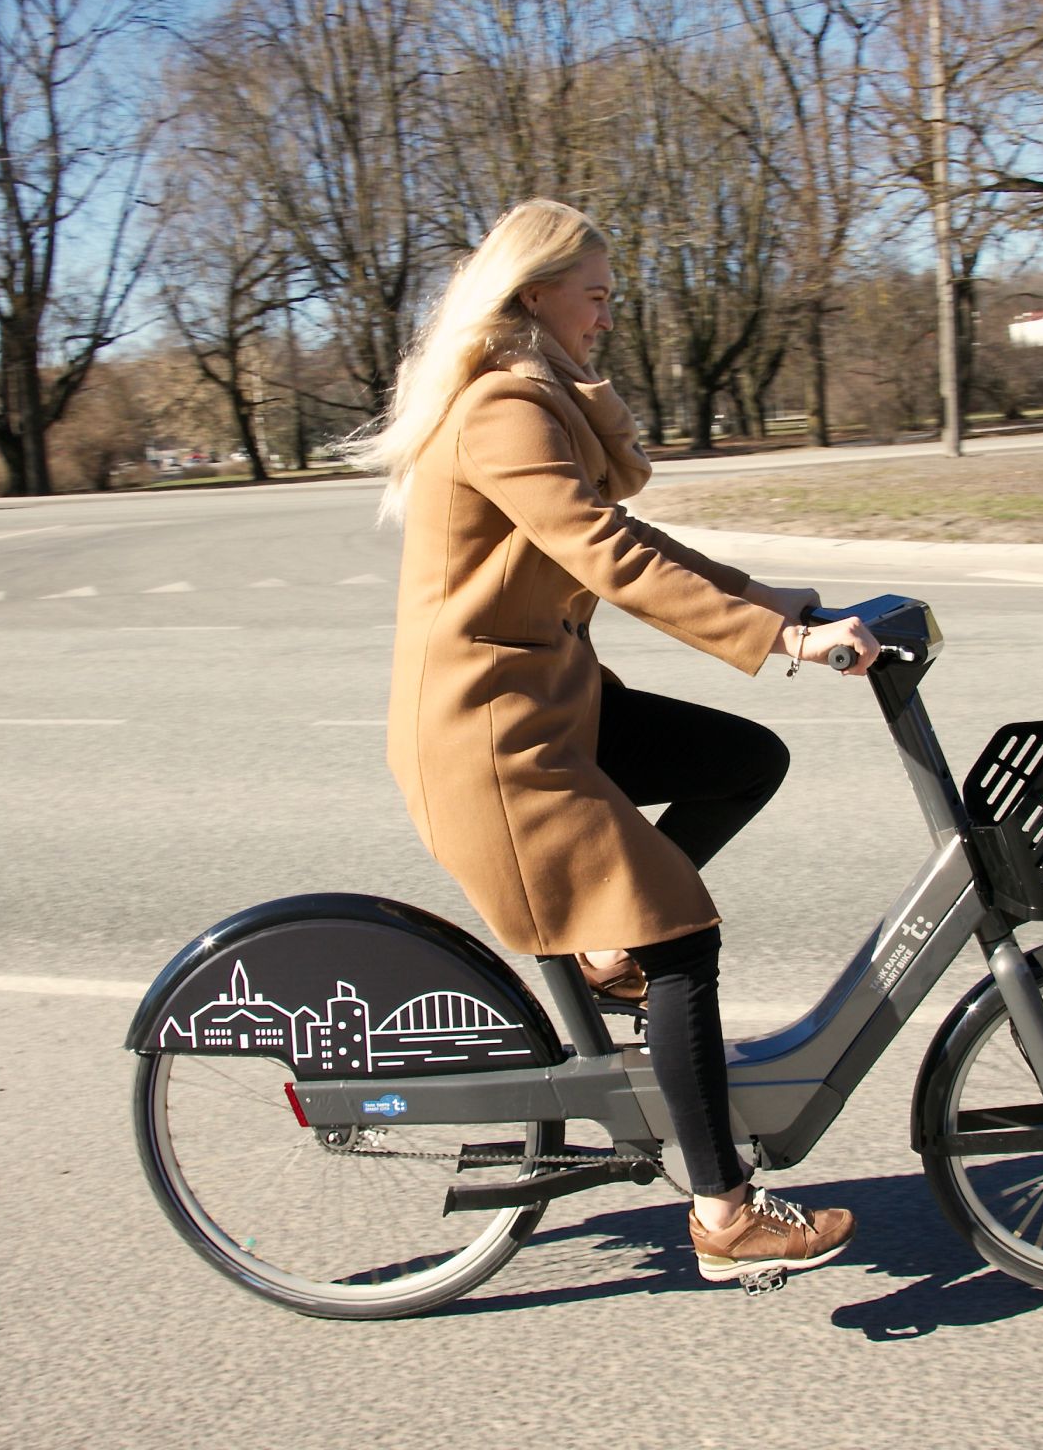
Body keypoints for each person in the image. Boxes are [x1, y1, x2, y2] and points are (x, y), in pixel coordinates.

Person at [349, 198, 880, 1284]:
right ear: (535, 292)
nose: (606, 313)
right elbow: (607, 557)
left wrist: (774, 598)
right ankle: (725, 1214)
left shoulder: (532, 398)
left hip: (551, 704)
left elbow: (628, 533)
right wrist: (779, 636)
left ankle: (601, 952)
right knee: (680, 933)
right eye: (594, 293)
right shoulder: (503, 405)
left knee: (743, 763)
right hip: (495, 743)